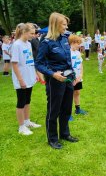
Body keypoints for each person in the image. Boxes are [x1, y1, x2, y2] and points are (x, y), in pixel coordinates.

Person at [36, 12, 78, 149]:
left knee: (66, 108)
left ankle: (65, 133)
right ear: (55, 24)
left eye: (66, 24)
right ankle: (52, 138)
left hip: (68, 78)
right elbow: (39, 63)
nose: (66, 27)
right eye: (64, 24)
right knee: (54, 109)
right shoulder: (46, 41)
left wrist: (73, 74)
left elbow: (68, 59)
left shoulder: (65, 38)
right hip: (55, 80)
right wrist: (53, 74)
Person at [11, 23, 41, 135]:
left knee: (28, 101)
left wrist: (35, 74)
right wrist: (20, 80)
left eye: (34, 33)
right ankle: (21, 127)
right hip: (22, 79)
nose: (33, 36)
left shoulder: (28, 44)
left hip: (29, 77)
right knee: (21, 102)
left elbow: (30, 60)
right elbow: (14, 64)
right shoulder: (17, 45)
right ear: (24, 32)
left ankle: (27, 121)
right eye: (31, 33)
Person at [69, 34, 87, 115]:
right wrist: (73, 78)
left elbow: (81, 64)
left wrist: (80, 75)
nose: (79, 45)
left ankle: (78, 110)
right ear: (72, 42)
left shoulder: (78, 53)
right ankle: (67, 113)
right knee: (68, 95)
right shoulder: (68, 53)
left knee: (77, 92)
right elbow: (67, 67)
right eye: (78, 43)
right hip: (70, 78)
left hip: (78, 77)